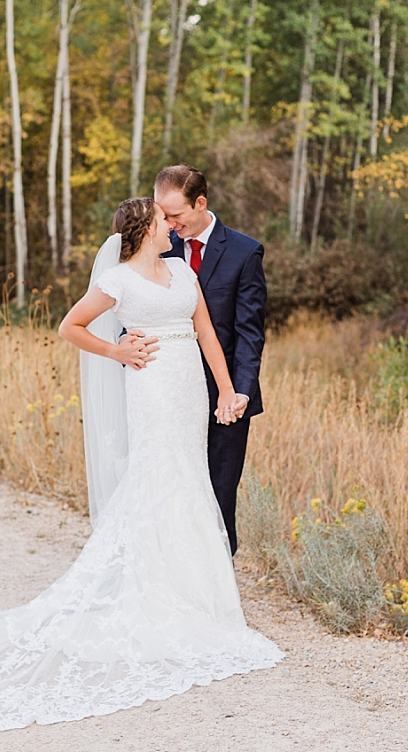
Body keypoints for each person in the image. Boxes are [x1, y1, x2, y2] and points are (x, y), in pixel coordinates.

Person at [0, 198, 281, 733]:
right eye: (163, 222)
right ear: (143, 230)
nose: (171, 228)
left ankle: (196, 593)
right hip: (152, 387)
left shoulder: (181, 270)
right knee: (159, 478)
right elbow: (71, 326)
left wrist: (227, 390)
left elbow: (207, 332)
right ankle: (157, 590)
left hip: (189, 388)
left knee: (191, 481)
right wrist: (118, 353)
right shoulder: (118, 279)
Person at [152, 164, 267, 556]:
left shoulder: (243, 251)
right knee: (168, 489)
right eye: (161, 214)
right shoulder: (155, 245)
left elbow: (249, 333)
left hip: (225, 397)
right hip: (167, 391)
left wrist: (239, 393)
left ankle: (219, 589)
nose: (167, 223)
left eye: (175, 215)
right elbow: (137, 308)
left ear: (200, 203)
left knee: (219, 491)